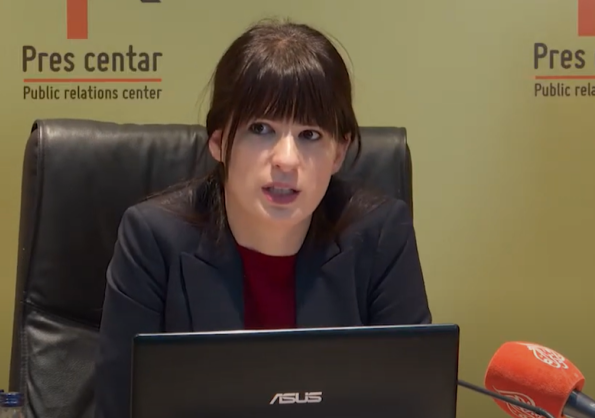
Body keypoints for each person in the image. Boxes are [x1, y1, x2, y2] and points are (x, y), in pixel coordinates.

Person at [93, 18, 431, 418]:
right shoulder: (152, 240)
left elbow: (414, 404)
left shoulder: (381, 236)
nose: (286, 160)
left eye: (309, 135)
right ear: (219, 141)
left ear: (339, 153)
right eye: (261, 128)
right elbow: (121, 408)